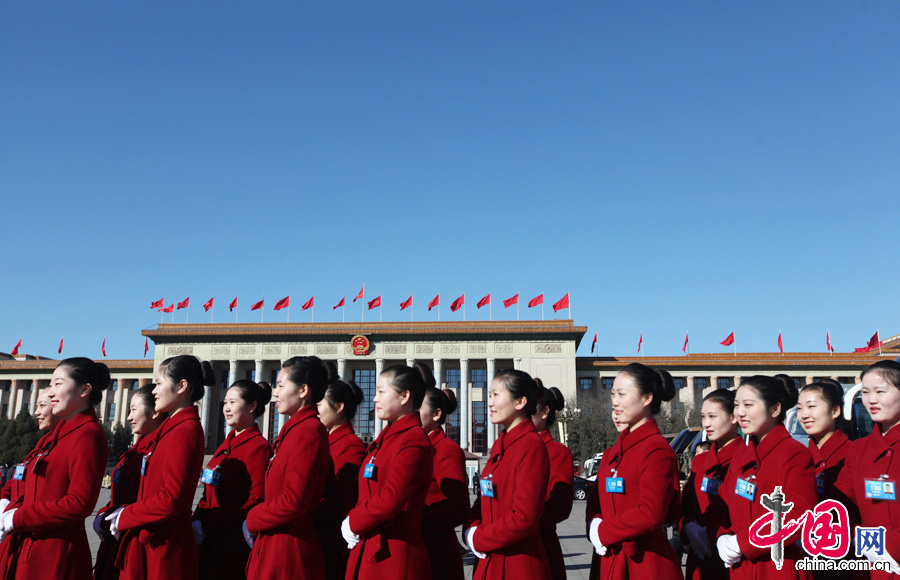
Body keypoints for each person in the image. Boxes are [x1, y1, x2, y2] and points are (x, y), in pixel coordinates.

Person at [105, 355, 213, 580]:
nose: (154, 391)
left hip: (164, 550)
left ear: (182, 386)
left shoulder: (185, 431)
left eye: (159, 383)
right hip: (151, 543)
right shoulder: (172, 431)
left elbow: (170, 499)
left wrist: (126, 515)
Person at [0, 357, 109, 580]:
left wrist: (17, 518)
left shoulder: (88, 435)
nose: (50, 393)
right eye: (50, 384)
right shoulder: (55, 437)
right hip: (31, 548)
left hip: (56, 555)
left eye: (58, 384)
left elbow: (79, 503)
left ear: (84, 390)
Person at [710, 375, 815, 579]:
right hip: (740, 569)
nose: (740, 412)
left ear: (775, 409)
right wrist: (721, 536)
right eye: (737, 405)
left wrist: (743, 543)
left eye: (748, 405)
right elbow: (719, 505)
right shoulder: (742, 455)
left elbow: (799, 516)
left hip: (778, 567)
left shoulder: (794, 454)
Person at [584, 362, 683, 580]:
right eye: (612, 394)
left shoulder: (657, 450)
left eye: (621, 394)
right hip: (608, 558)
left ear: (647, 398)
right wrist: (593, 523)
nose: (614, 402)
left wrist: (604, 532)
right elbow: (595, 500)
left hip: (643, 563)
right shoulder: (611, 454)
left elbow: (651, 512)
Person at [243, 357, 334, 580]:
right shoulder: (295, 431)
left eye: (281, 385)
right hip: (276, 542)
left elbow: (293, 500)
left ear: (303, 390)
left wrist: (252, 519)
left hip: (287, 552)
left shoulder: (307, 432)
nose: (275, 393)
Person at [344, 364, 434, 580]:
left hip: (394, 552)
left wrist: (353, 522)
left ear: (404, 396)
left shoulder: (413, 440)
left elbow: (392, 496)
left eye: (381, 392)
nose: (374, 399)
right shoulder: (388, 438)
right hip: (371, 543)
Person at [463, 369, 551, 580]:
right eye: (489, 395)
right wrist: (471, 529)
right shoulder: (501, 447)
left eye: (496, 395)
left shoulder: (531, 446)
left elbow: (524, 516)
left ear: (520, 402)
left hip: (518, 564)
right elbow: (483, 500)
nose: (489, 403)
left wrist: (479, 538)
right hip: (489, 559)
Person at [193, 380, 272, 580]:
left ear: (252, 406)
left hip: (230, 544)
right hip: (206, 541)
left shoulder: (257, 447)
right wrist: (195, 522)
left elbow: (255, 498)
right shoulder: (224, 446)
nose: (226, 408)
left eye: (233, 402)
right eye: (225, 402)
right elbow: (207, 491)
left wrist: (208, 526)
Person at [94, 384, 166, 580]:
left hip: (131, 538)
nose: (128, 417)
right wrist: (104, 514)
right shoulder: (139, 449)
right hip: (116, 535)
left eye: (134, 410)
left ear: (154, 413)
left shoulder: (153, 451)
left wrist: (120, 515)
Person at [835, 360, 900, 577]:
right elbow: (841, 504)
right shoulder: (859, 449)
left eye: (880, 391)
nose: (871, 400)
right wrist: (862, 540)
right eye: (865, 392)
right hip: (870, 565)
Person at [680, 389, 743, 580]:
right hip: (700, 560)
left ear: (733, 417)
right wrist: (690, 529)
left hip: (733, 558)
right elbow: (685, 507)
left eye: (713, 416)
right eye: (703, 417)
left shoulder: (747, 460)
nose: (706, 423)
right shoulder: (700, 463)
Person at [419, 364, 469, 580]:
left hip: (436, 549)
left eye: (418, 408)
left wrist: (415, 522)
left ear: (437, 414)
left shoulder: (446, 450)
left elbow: (458, 507)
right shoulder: (416, 446)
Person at [314, 378, 367, 580]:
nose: (314, 410)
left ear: (339, 407)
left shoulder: (350, 446)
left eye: (319, 404)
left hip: (333, 541)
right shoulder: (327, 442)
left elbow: (344, 500)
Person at [532, 380, 573, 580]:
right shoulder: (508, 450)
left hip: (540, 545)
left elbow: (559, 507)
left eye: (530, 409)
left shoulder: (557, 452)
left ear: (545, 412)